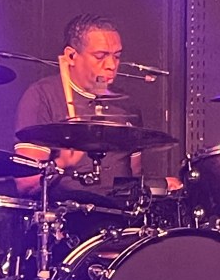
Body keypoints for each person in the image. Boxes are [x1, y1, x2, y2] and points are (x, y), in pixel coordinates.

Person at [13, 14, 142, 199]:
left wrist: (158, 186)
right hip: (65, 212)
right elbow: (25, 184)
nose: (112, 65)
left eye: (117, 56)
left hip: (118, 212)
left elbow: (135, 176)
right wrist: (61, 164)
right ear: (71, 56)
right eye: (100, 56)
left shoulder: (127, 105)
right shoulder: (43, 97)